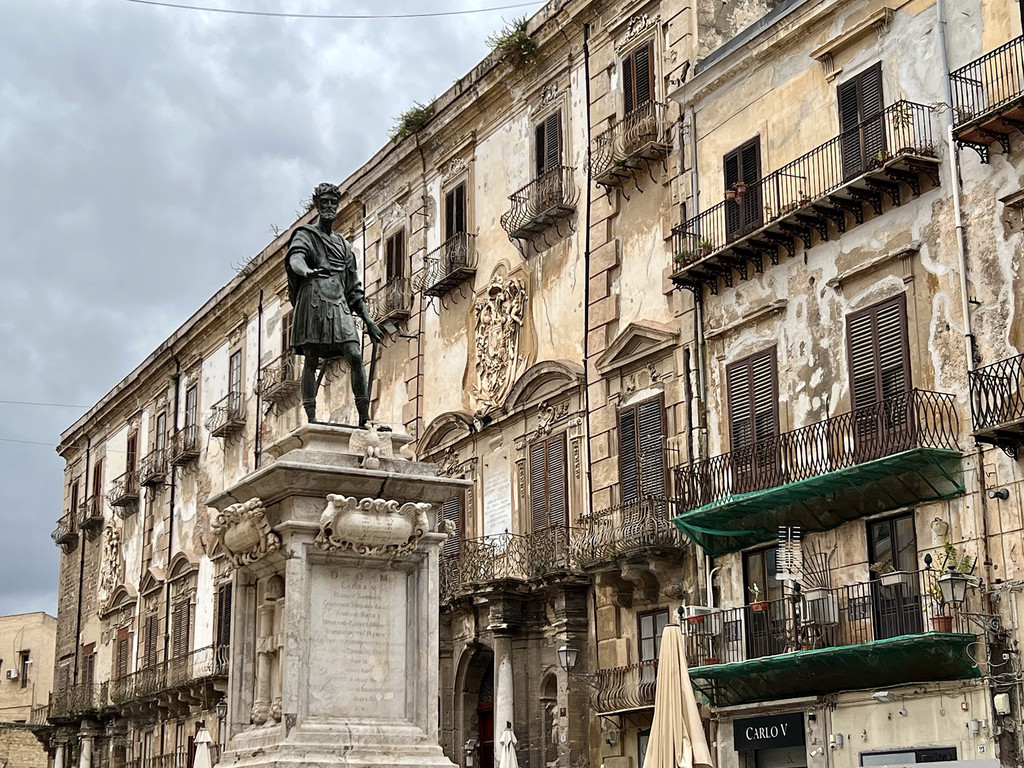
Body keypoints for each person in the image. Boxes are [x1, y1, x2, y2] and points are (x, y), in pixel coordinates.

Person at [285, 182, 384, 426]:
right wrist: (306, 271)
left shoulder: (344, 246)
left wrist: (369, 320)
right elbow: (295, 259)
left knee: (355, 353)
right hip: (314, 301)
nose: (329, 206)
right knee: (311, 359)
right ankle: (311, 418)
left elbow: (354, 288)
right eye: (325, 202)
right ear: (318, 206)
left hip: (339, 302)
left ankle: (364, 418)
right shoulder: (305, 235)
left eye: (333, 202)